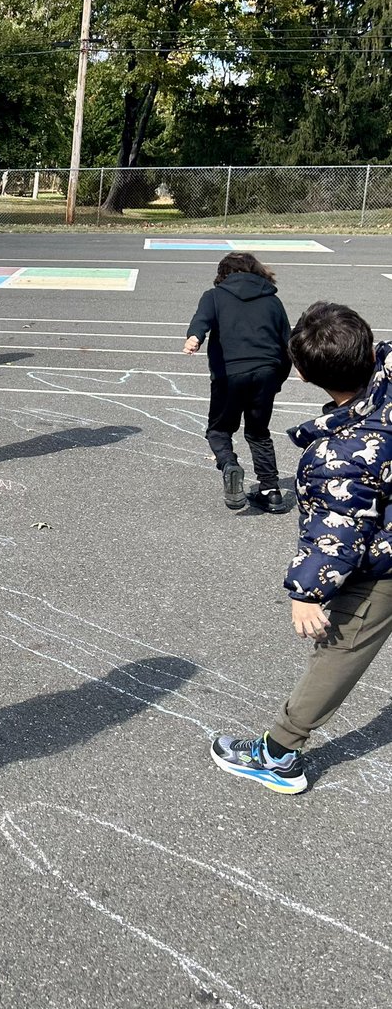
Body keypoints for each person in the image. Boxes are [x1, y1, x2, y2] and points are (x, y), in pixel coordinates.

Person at [212, 303, 392, 794]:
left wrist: (307, 593)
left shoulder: (338, 453)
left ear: (302, 374)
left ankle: (279, 753)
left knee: (341, 649)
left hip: (384, 562)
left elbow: (336, 530)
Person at [184, 252, 292, 512]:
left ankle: (229, 465)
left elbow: (202, 320)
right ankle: (271, 491)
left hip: (230, 373)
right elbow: (287, 340)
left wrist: (194, 337)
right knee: (258, 432)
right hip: (266, 371)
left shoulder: (214, 296)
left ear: (222, 274)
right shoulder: (272, 300)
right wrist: (280, 377)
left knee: (219, 430)